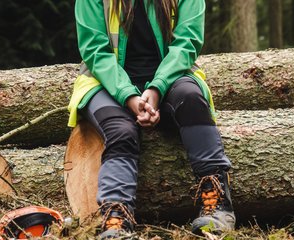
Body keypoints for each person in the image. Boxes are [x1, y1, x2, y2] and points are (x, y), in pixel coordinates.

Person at [67, 0, 235, 238]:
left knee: (191, 100)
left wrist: (156, 88)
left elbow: (187, 42)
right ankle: (116, 218)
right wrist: (129, 96)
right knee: (120, 130)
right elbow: (95, 50)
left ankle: (217, 202)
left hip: (171, 78)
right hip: (105, 82)